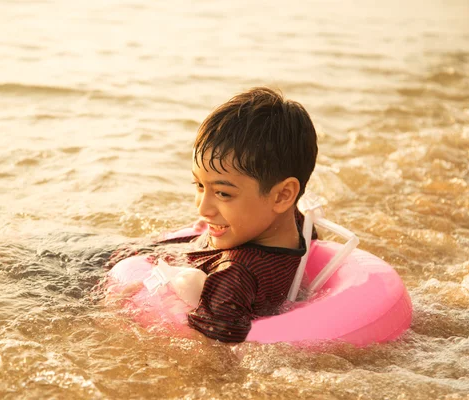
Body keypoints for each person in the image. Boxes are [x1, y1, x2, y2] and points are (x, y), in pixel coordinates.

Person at [109, 87, 318, 343]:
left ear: (283, 195)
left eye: (223, 193)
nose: (202, 209)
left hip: (106, 264)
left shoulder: (233, 278)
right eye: (199, 186)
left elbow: (213, 358)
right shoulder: (298, 223)